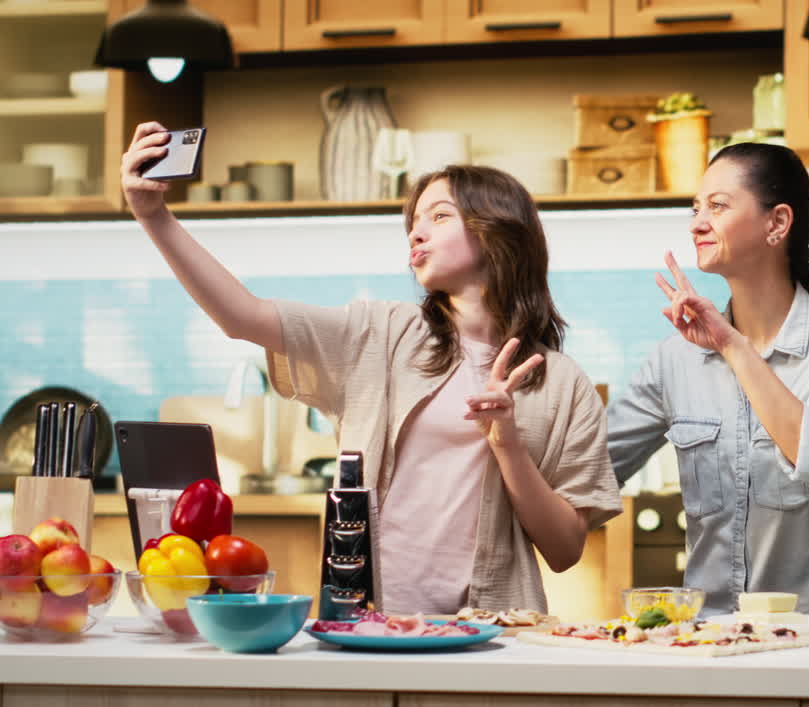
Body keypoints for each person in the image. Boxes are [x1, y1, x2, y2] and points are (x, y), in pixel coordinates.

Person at [121, 122, 622, 615]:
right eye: (414, 221)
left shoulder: (564, 384)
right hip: (367, 622)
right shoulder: (377, 335)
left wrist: (507, 443)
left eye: (440, 216)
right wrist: (154, 216)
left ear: (498, 232)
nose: (416, 232)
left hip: (492, 630)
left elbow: (565, 550)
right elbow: (241, 316)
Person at [607, 143, 809, 620]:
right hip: (710, 638)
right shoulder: (674, 360)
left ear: (777, 222)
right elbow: (588, 473)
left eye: (717, 206)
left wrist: (732, 346)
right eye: (695, 209)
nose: (698, 223)